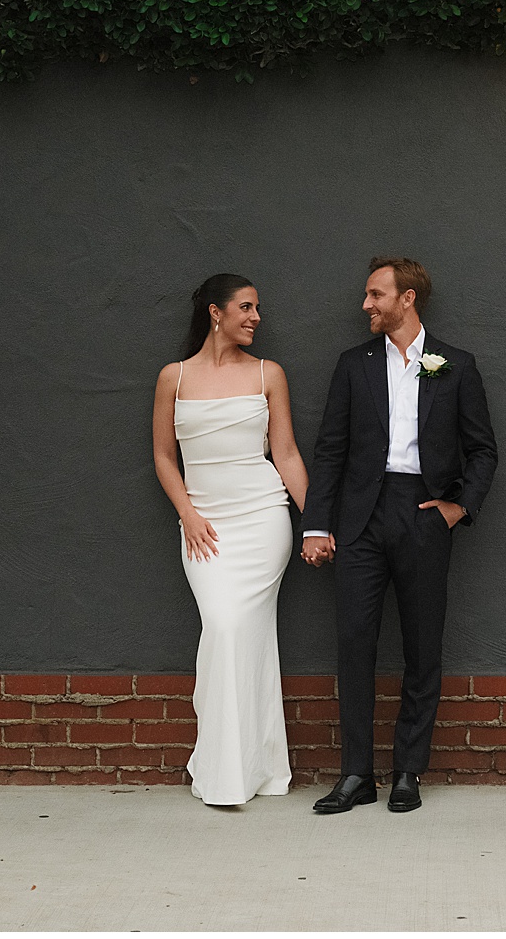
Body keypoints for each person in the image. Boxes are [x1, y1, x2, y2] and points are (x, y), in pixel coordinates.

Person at [300, 257, 498, 814]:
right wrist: (317, 525)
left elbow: (483, 450)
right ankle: (356, 775)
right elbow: (330, 449)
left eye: (375, 295)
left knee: (421, 647)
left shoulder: (454, 365)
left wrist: (458, 508)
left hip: (425, 515)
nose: (366, 305)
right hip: (360, 520)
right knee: (354, 645)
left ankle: (408, 771)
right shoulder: (353, 364)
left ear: (407, 299)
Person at [152, 273, 310, 805]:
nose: (256, 317)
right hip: (206, 527)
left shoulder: (269, 374)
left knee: (246, 630)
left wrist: (316, 522)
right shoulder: (173, 378)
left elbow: (284, 455)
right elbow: (163, 457)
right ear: (216, 313)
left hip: (263, 518)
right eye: (246, 307)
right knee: (223, 627)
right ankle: (230, 767)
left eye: (258, 308)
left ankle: (253, 770)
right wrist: (189, 515)